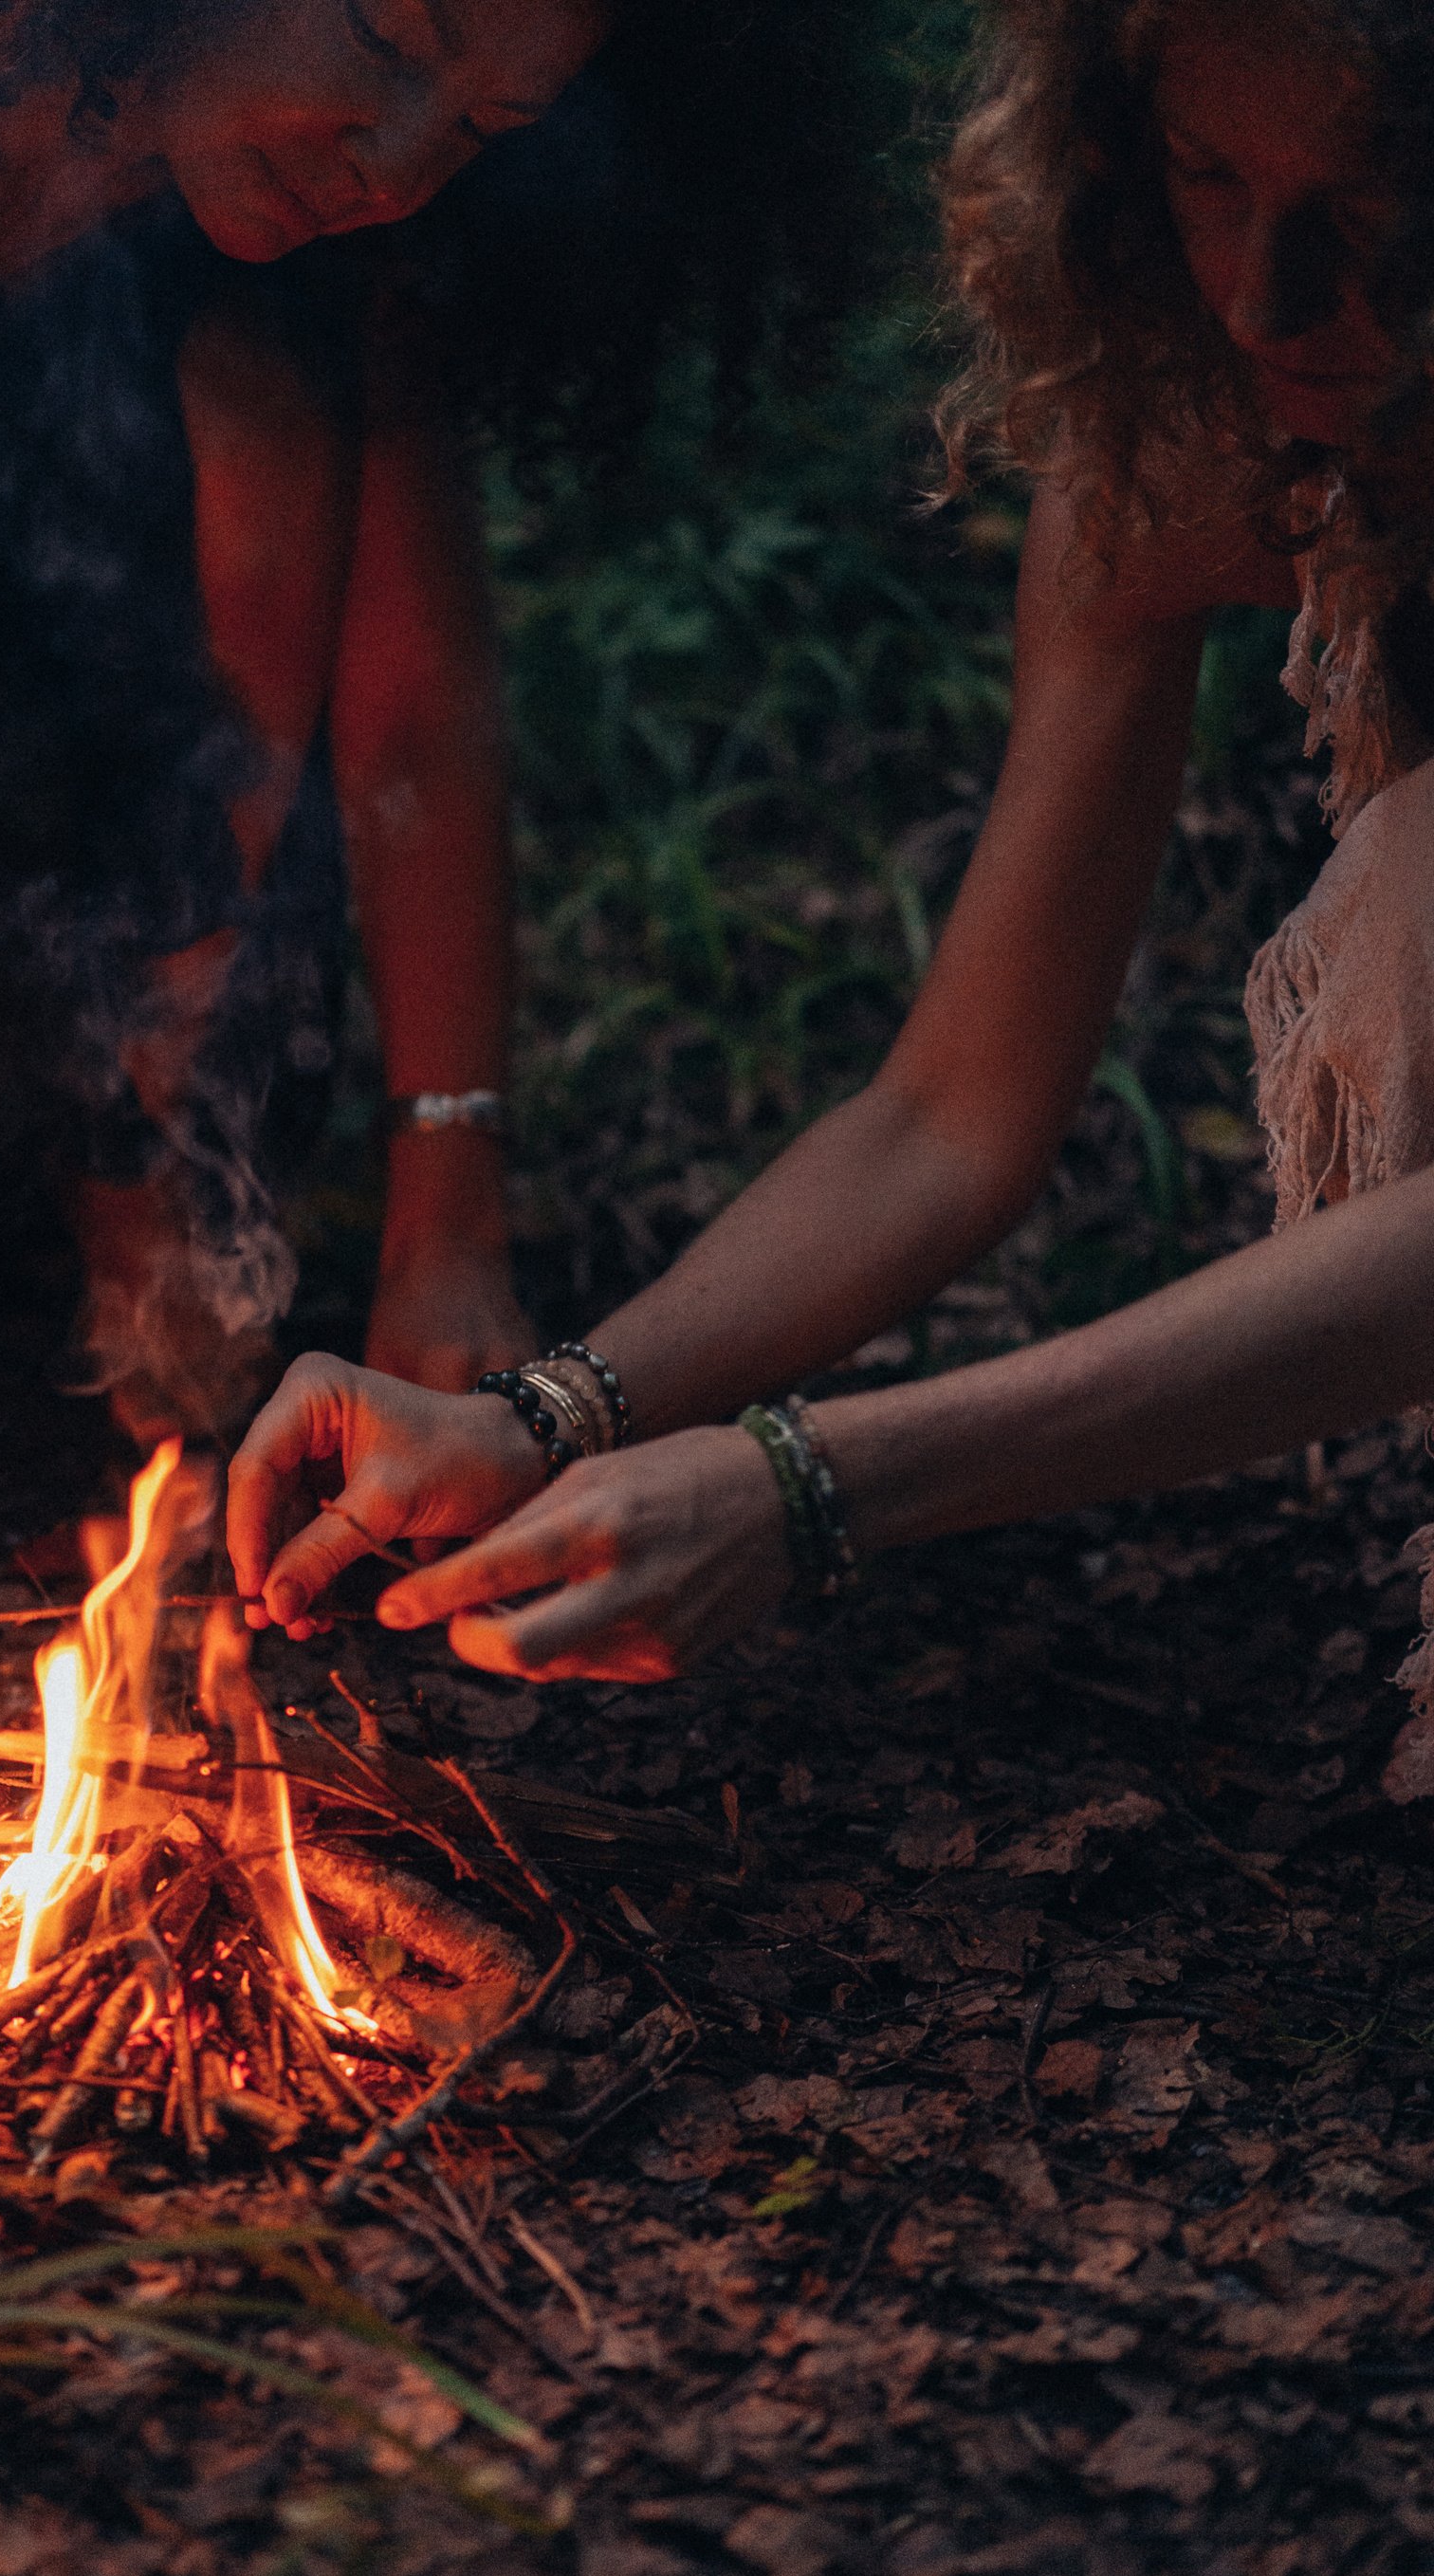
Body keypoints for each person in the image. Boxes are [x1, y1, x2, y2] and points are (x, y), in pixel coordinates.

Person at [0, 0, 869, 1776]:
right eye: (395, 35)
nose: (396, 159)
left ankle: (21, 1166)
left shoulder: (317, 180)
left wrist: (445, 1238)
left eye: (480, 126)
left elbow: (405, 716)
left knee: (233, 473)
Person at [229, 0, 1434, 1795]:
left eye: (1379, 200)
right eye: (1206, 177)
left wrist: (808, 1487)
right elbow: (950, 1117)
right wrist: (543, 1414)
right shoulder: (1186, 453)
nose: (1266, 297)